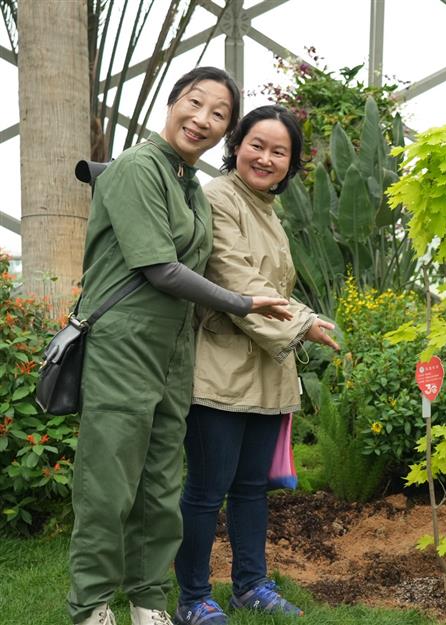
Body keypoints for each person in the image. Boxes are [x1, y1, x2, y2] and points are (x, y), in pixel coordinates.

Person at [68, 67, 294, 625]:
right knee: (109, 478)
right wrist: (240, 303)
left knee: (162, 482)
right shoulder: (138, 168)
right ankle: (91, 603)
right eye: (195, 103)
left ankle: (148, 599)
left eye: (219, 114)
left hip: (173, 349)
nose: (204, 119)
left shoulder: (187, 182)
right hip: (124, 340)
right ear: (173, 103)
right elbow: (159, 268)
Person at [171, 105, 340, 625]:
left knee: (249, 488)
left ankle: (250, 586)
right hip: (220, 369)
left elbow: (273, 287)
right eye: (257, 145)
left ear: (290, 165)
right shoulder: (218, 197)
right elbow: (235, 277)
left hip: (264, 371)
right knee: (206, 489)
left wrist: (304, 321)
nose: (265, 158)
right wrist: (303, 324)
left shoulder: (266, 207)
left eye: (279, 152)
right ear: (237, 145)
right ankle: (193, 598)